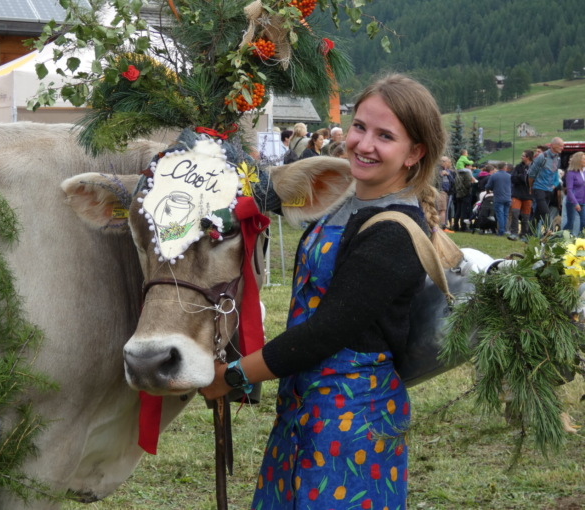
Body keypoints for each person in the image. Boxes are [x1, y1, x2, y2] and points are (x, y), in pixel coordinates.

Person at [201, 73, 447, 510]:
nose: (364, 144)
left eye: (385, 136)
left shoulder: (395, 231)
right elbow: (260, 197)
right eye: (360, 127)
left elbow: (325, 332)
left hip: (353, 420)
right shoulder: (344, 200)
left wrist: (232, 376)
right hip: (303, 404)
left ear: (415, 153)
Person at [529, 137, 564, 235]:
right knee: (545, 211)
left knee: (538, 214)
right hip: (538, 187)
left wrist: (554, 185)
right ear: (553, 145)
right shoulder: (542, 157)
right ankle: (550, 232)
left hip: (549, 190)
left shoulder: (558, 158)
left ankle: (528, 234)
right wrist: (531, 187)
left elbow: (555, 174)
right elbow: (531, 174)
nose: (562, 148)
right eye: (560, 145)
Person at [508, 150, 534, 240]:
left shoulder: (533, 167)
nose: (521, 157)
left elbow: (531, 179)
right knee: (515, 213)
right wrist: (523, 177)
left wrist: (521, 177)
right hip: (517, 194)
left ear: (528, 157)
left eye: (523, 156)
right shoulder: (518, 167)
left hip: (528, 195)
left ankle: (524, 233)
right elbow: (513, 178)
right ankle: (514, 233)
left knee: (526, 216)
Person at [485, 162, 512, 236]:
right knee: (505, 214)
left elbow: (488, 186)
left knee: (500, 214)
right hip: (508, 197)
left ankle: (501, 231)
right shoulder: (509, 176)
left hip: (498, 197)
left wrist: (489, 190)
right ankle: (505, 229)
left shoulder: (494, 176)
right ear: (505, 167)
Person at [564, 151, 585, 235]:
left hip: (583, 202)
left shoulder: (583, 172)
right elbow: (569, 190)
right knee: (570, 223)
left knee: (584, 222)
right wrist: (575, 203)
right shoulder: (571, 173)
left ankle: (581, 239)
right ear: (578, 160)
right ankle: (560, 237)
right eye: (584, 159)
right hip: (573, 202)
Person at [435, 156, 455, 229]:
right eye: (447, 162)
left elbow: (453, 181)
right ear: (443, 162)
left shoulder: (447, 171)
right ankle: (442, 225)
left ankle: (441, 225)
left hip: (445, 192)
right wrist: (441, 175)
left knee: (442, 209)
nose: (449, 163)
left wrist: (448, 175)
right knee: (441, 209)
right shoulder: (437, 170)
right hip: (440, 191)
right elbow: (433, 181)